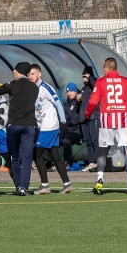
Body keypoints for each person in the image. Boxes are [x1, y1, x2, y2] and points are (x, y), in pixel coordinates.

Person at [85, 57, 127, 196]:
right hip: (122, 123)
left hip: (106, 122)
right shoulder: (126, 81)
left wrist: (87, 115)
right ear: (116, 68)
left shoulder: (101, 82)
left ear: (106, 68)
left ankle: (99, 180)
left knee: (102, 152)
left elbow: (92, 101)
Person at [0, 62, 38, 196]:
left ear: (17, 72)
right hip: (29, 126)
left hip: (14, 125)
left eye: (14, 72)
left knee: (14, 157)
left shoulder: (13, 85)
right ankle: (24, 186)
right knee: (27, 158)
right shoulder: (34, 87)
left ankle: (18, 186)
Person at [28, 64, 73, 194]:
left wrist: (63, 121)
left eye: (33, 73)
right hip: (42, 127)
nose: (31, 76)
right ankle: (67, 184)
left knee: (37, 155)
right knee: (55, 156)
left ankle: (44, 185)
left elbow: (58, 103)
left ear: (39, 74)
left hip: (49, 127)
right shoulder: (32, 88)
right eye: (29, 74)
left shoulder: (45, 87)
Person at [80, 65, 100, 172]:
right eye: (83, 77)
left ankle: (98, 162)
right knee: (88, 141)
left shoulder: (95, 83)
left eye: (85, 76)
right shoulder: (84, 89)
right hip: (84, 119)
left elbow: (94, 85)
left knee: (95, 140)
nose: (84, 79)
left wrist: (90, 76)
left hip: (93, 117)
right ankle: (91, 162)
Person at [61, 82, 83, 168]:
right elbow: (63, 118)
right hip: (66, 131)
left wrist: (68, 119)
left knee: (66, 141)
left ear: (75, 92)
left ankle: (66, 162)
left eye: (71, 91)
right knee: (53, 140)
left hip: (76, 132)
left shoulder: (78, 103)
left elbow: (75, 119)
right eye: (68, 91)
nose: (69, 93)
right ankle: (53, 162)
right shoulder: (65, 103)